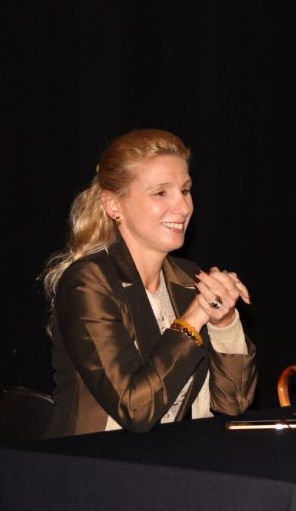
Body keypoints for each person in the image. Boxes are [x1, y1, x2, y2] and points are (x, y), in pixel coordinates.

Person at [40, 128, 257, 437]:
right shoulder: (88, 282)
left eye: (185, 190)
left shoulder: (187, 278)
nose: (183, 207)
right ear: (115, 206)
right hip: (92, 469)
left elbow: (233, 405)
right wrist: (195, 316)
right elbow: (136, 409)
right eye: (161, 193)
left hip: (168, 464)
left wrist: (224, 322)